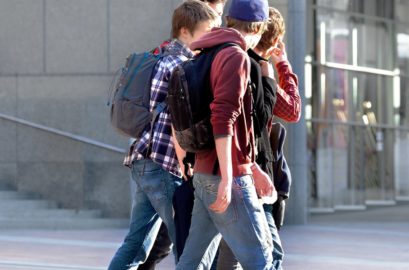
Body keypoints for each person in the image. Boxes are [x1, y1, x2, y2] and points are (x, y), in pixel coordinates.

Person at [107, 2, 217, 269]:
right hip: (164, 165)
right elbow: (173, 121)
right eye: (207, 32)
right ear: (184, 31)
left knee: (136, 245)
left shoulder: (165, 57)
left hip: (147, 161)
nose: (211, 38)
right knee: (190, 244)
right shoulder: (179, 65)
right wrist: (183, 164)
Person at [174, 0, 276, 269]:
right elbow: (223, 118)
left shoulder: (207, 53)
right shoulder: (235, 56)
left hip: (206, 172)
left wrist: (252, 167)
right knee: (261, 258)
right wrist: (231, 177)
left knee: (193, 261)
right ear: (259, 27)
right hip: (226, 178)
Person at [216, 7, 301, 270]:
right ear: (275, 41)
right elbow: (292, 110)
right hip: (250, 172)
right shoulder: (257, 70)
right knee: (269, 255)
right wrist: (282, 65)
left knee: (223, 255)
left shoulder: (227, 59)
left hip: (226, 170)